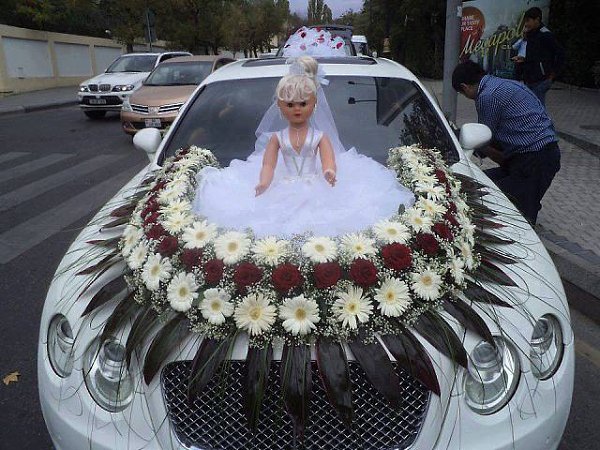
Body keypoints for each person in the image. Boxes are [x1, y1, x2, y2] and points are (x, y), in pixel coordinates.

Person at [193, 55, 415, 238]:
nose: (297, 109)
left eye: (302, 103)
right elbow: (268, 164)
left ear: (314, 104)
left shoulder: (320, 137)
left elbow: (328, 159)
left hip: (316, 187)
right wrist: (264, 181)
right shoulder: (276, 138)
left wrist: (329, 171)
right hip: (283, 188)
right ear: (280, 106)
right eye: (290, 104)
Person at [452, 60, 560, 225]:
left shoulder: (487, 96)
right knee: (490, 187)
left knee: (514, 212)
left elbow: (485, 136)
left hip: (534, 159)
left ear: (465, 87)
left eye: (462, 93)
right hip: (541, 154)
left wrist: (460, 139)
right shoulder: (504, 84)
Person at [519, 7, 565, 105]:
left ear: (537, 20)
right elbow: (534, 55)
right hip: (530, 78)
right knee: (532, 106)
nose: (526, 24)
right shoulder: (530, 34)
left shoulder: (546, 35)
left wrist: (553, 74)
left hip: (541, 79)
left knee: (536, 107)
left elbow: (560, 53)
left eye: (528, 21)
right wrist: (523, 60)